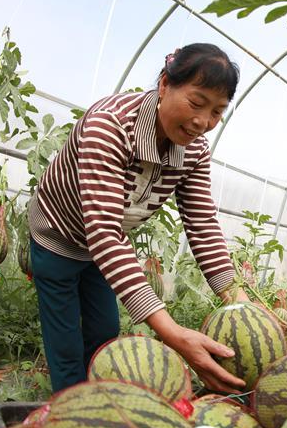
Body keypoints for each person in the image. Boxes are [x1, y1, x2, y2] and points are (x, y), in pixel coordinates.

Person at [27, 43, 248, 394]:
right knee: (65, 341)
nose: (202, 122)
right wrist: (173, 334)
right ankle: (69, 411)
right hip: (58, 236)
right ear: (164, 85)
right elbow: (102, 231)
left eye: (217, 112)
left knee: (103, 331)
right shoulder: (109, 126)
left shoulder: (193, 151)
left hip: (105, 245)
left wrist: (238, 301)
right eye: (196, 103)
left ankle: (97, 398)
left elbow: (202, 221)